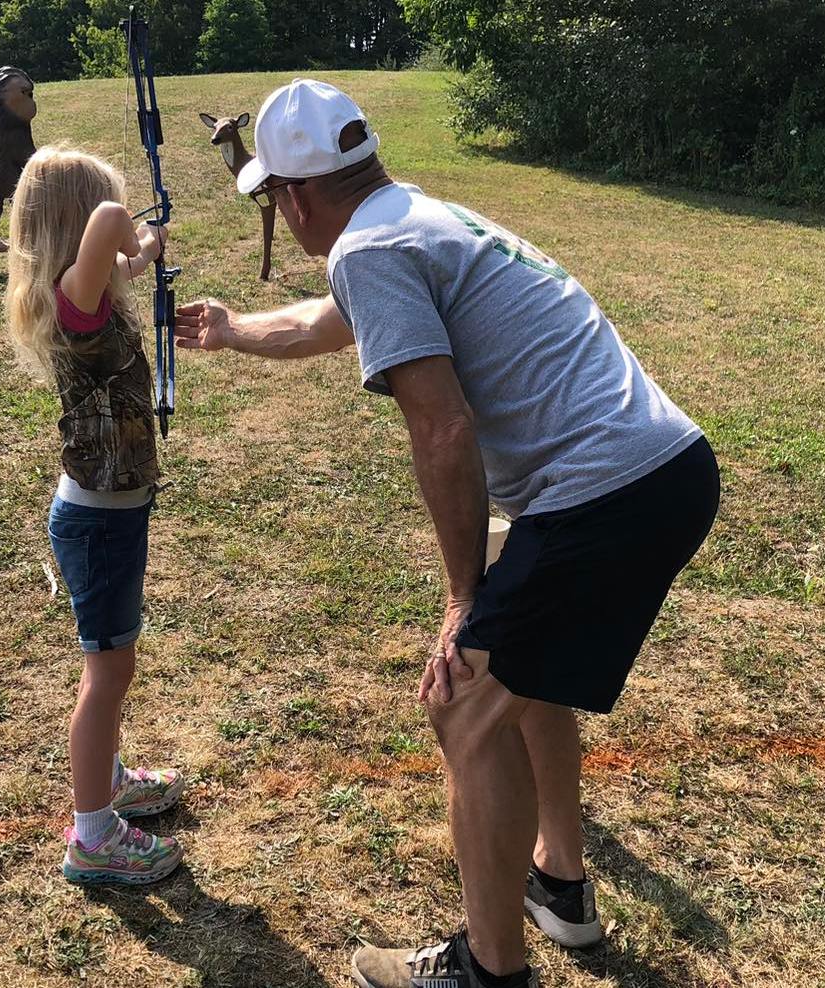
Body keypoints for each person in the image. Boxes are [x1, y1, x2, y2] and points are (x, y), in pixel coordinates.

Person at [175, 80, 720, 987]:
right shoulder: (419, 218)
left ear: (296, 195)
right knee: (520, 679)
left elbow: (442, 428)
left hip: (601, 497)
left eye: (272, 196)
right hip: (661, 469)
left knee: (462, 700)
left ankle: (487, 970)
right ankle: (562, 890)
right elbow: (333, 322)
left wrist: (464, 597)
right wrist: (235, 332)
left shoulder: (370, 247)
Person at [6, 146, 184, 885]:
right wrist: (135, 233)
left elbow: (118, 246)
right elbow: (115, 220)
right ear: (79, 228)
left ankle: (106, 784)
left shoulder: (88, 295)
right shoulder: (74, 303)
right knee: (107, 673)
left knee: (111, 666)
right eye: (103, 217)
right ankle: (93, 836)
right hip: (99, 520)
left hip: (108, 512)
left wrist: (142, 256)